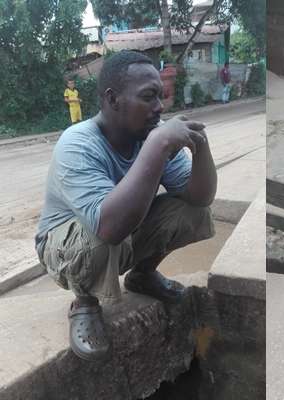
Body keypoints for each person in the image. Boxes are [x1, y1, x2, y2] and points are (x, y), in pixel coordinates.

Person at [35, 50, 218, 361]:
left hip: (113, 233)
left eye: (160, 96)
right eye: (148, 97)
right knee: (101, 233)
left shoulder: (146, 136)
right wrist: (158, 146)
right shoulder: (78, 142)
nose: (159, 108)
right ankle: (84, 303)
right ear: (113, 99)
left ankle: (142, 275)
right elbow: (109, 227)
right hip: (66, 246)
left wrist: (200, 146)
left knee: (192, 211)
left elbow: (199, 199)